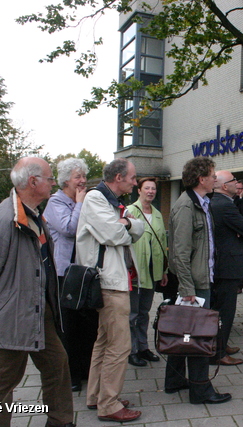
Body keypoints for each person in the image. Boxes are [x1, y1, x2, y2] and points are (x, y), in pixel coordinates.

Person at [0, 157, 75, 427]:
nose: (52, 183)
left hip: (39, 312)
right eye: (49, 178)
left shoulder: (33, 213)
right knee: (3, 382)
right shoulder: (3, 221)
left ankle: (60, 421)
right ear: (33, 182)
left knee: (57, 367)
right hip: (10, 318)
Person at [76, 158, 144, 422]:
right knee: (120, 345)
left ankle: (96, 396)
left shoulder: (111, 203)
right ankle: (110, 404)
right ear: (118, 177)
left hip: (112, 281)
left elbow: (134, 228)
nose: (135, 182)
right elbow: (115, 235)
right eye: (133, 177)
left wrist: (127, 224)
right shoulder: (96, 200)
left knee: (104, 342)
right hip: (109, 283)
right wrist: (127, 223)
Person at [165, 157, 232, 404]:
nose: (216, 178)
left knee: (184, 332)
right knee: (199, 337)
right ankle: (200, 390)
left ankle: (174, 380)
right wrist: (188, 288)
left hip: (200, 279)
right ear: (201, 179)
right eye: (213, 175)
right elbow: (179, 253)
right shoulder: (186, 207)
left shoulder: (202, 203)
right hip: (195, 284)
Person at [44, 157, 98, 392]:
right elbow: (70, 229)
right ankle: (70, 375)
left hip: (84, 271)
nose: (83, 180)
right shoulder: (55, 203)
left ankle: (85, 369)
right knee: (69, 325)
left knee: (88, 323)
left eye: (84, 176)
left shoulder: (82, 201)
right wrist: (79, 203)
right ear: (65, 180)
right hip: (65, 274)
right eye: (77, 176)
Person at [210, 170, 243, 365]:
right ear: (223, 186)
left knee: (218, 308)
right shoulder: (225, 206)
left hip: (219, 263)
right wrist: (240, 233)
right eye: (233, 180)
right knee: (225, 311)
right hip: (227, 266)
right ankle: (219, 353)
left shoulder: (215, 202)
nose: (237, 182)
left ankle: (221, 344)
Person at [126, 177, 167, 367]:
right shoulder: (130, 211)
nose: (150, 191)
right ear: (139, 191)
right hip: (135, 271)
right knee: (132, 313)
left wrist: (164, 271)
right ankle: (132, 350)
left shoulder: (158, 214)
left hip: (152, 271)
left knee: (144, 312)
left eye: (153, 189)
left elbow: (163, 243)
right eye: (147, 188)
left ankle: (143, 347)